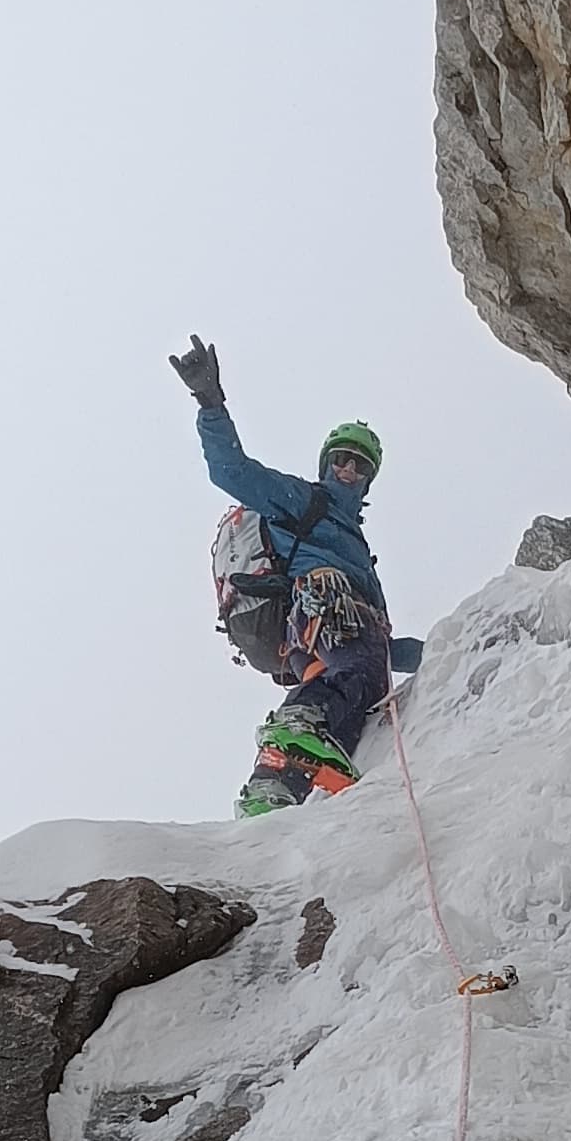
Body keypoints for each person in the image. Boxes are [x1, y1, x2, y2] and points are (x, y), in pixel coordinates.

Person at [171, 337, 420, 813]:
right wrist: (210, 403)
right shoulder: (303, 501)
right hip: (323, 606)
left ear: (369, 478)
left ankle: (274, 789)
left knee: (354, 707)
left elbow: (382, 647)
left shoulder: (357, 545)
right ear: (327, 463)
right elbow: (233, 472)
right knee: (360, 675)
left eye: (358, 465)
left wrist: (450, 647)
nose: (347, 469)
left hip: (318, 643)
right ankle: (300, 724)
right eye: (341, 459)